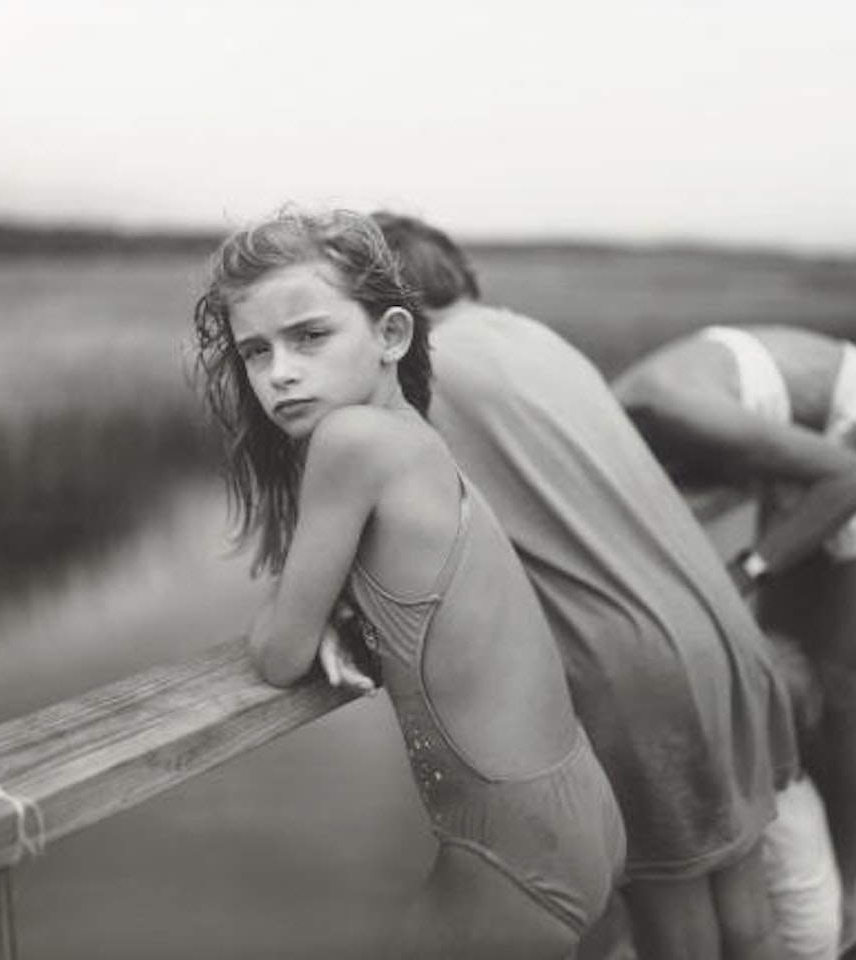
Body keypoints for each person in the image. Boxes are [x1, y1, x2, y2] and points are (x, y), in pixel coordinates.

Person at [362, 212, 810, 960]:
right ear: (461, 274)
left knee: (678, 934)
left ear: (386, 310)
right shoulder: (539, 338)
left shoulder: (416, 374)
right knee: (746, 916)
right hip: (722, 633)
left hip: (630, 667)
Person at [191, 207, 626, 960]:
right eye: (255, 352)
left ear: (391, 335)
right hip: (573, 807)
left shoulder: (351, 440)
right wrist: (333, 602)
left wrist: (307, 610)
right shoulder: (416, 439)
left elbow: (278, 655)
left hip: (511, 852)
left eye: (309, 336)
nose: (280, 372)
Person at [611, 324, 856, 926]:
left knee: (841, 685)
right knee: (778, 673)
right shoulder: (616, 423)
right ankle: (796, 864)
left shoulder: (661, 404)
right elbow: (701, 496)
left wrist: (749, 569)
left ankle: (854, 889)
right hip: (811, 458)